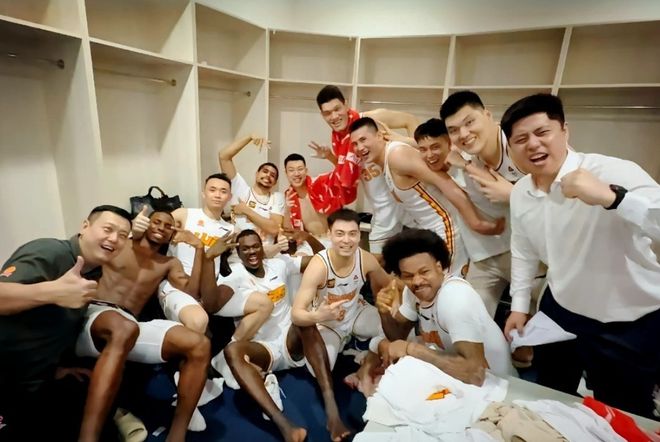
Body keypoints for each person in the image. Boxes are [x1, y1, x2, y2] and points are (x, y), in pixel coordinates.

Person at [501, 93, 660, 419]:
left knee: (621, 413)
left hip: (626, 318)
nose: (533, 144)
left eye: (542, 132)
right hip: (561, 308)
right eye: (521, 139)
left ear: (565, 131)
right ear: (511, 149)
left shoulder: (612, 171)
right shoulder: (521, 192)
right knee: (551, 392)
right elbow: (523, 249)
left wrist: (613, 198)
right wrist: (519, 305)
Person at [74, 210, 211, 438]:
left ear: (173, 234)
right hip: (95, 313)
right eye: (156, 222)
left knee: (199, 344)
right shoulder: (122, 245)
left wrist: (199, 248)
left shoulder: (168, 262)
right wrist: (129, 231)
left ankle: (177, 435)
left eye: (168, 226)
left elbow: (192, 293)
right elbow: (92, 247)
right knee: (123, 327)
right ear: (146, 224)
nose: (161, 228)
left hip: (129, 324)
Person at [0, 205, 132, 441]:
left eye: (123, 235)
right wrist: (51, 292)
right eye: (108, 229)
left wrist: (58, 368)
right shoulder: (50, 252)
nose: (114, 239)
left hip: (40, 378)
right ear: (85, 226)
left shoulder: (93, 272)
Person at [211, 229, 350, 442]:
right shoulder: (234, 275)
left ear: (262, 247)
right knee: (232, 350)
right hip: (263, 350)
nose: (251, 252)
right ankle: (285, 426)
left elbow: (321, 261)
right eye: (245, 249)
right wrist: (209, 259)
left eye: (255, 246)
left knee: (304, 320)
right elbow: (213, 302)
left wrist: (308, 237)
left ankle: (332, 411)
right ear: (238, 253)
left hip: (290, 341)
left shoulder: (279, 264)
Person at [350, 117, 505, 276]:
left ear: (379, 136)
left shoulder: (397, 156)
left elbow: (445, 183)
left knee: (444, 285)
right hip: (430, 234)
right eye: (354, 144)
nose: (359, 147)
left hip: (447, 230)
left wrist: (476, 222)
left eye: (363, 140)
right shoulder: (386, 162)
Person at [377, 228, 516, 385]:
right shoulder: (412, 292)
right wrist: (384, 311)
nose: (417, 281)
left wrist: (412, 349)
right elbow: (397, 338)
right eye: (408, 276)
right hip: (455, 376)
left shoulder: (455, 298)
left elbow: (476, 374)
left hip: (495, 384)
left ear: (439, 266)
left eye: (424, 272)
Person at [310, 85, 418, 258]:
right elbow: (349, 170)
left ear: (346, 104)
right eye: (327, 113)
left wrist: (413, 152)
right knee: (380, 264)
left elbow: (409, 120)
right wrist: (330, 156)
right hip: (382, 209)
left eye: (337, 109)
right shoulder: (339, 139)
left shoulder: (369, 119)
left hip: (406, 201)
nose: (334, 116)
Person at [292, 208, 391, 369]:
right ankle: (353, 342)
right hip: (328, 323)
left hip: (356, 312)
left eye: (352, 234)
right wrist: (317, 316)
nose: (346, 240)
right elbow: (296, 315)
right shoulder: (318, 265)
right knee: (319, 368)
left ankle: (361, 345)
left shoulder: (365, 258)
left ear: (359, 235)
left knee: (394, 330)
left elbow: (389, 283)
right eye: (340, 234)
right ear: (329, 234)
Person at [147, 173, 236, 334]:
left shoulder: (230, 229)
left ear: (229, 196)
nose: (217, 195)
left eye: (223, 191)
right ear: (203, 193)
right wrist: (136, 227)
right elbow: (154, 227)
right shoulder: (184, 214)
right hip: (177, 285)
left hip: (207, 289)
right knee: (198, 321)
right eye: (212, 190)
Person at [218, 134, 285, 244]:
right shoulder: (241, 189)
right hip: (240, 249)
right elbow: (223, 156)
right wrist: (249, 137)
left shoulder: (277, 198)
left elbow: (274, 229)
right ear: (257, 174)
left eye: (272, 175)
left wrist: (246, 210)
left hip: (267, 250)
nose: (268, 175)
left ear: (275, 182)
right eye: (265, 171)